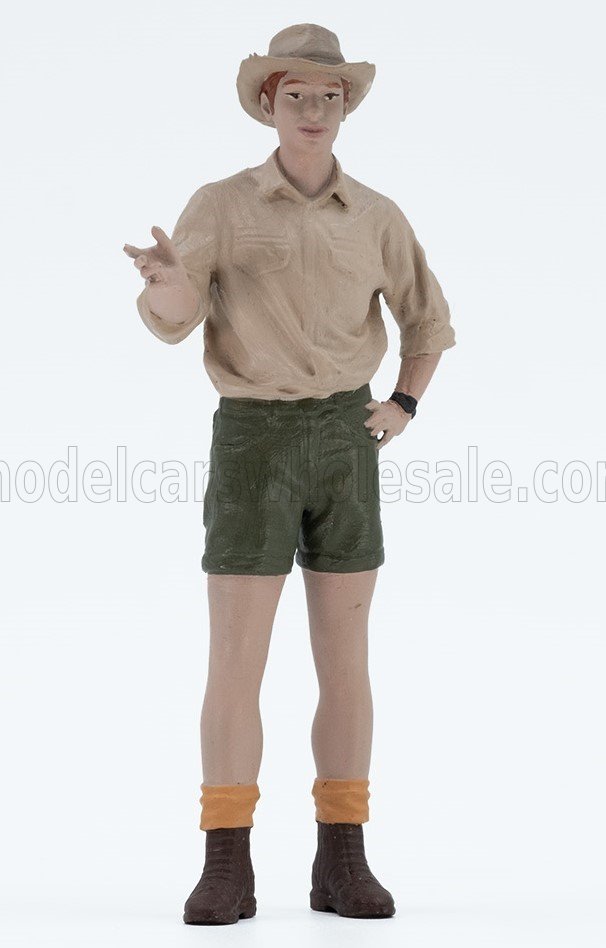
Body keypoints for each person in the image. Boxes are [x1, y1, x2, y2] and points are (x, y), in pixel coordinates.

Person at [123, 22, 456, 925]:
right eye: (296, 95)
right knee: (236, 660)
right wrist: (164, 280)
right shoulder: (222, 205)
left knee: (346, 661)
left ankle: (342, 859)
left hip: (347, 440)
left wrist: (403, 404)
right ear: (268, 104)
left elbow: (427, 318)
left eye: (329, 96)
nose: (314, 110)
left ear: (348, 107)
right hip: (253, 440)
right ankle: (225, 862)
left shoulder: (377, 214)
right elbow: (177, 314)